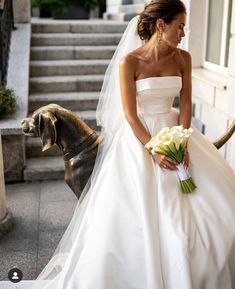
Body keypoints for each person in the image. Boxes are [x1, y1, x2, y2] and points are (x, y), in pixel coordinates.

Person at [30, 0, 235, 288]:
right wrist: (154, 149)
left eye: (184, 27)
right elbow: (129, 114)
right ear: (161, 25)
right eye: (180, 26)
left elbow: (186, 103)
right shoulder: (130, 62)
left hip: (176, 129)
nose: (184, 33)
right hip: (141, 138)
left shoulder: (184, 59)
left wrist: (183, 140)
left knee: (218, 213)